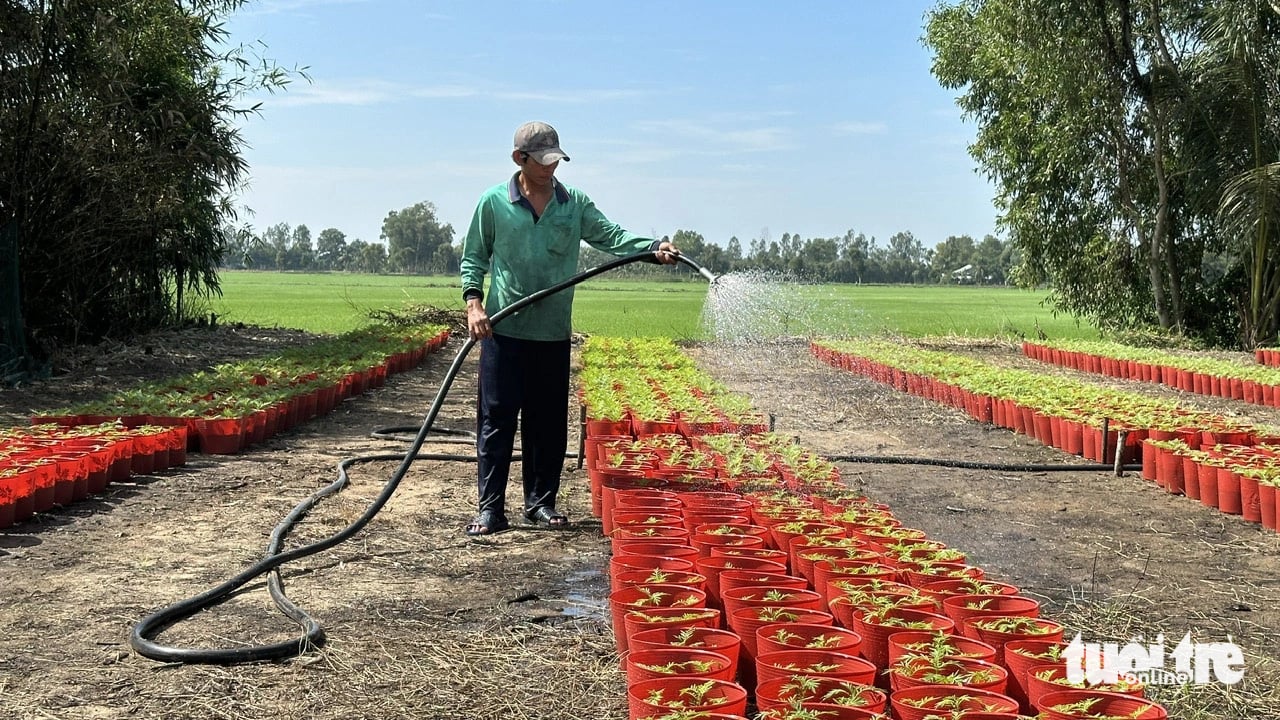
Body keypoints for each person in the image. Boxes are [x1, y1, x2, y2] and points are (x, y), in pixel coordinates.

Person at [459, 121, 680, 536]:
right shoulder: (492, 203)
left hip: (552, 334)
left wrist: (653, 249)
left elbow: (611, 236)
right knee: (497, 421)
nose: (550, 169)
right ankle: (490, 509)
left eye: (555, 160)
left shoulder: (573, 203)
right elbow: (474, 257)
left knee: (547, 423)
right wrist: (474, 303)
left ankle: (540, 503)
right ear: (518, 159)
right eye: (542, 161)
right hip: (504, 331)